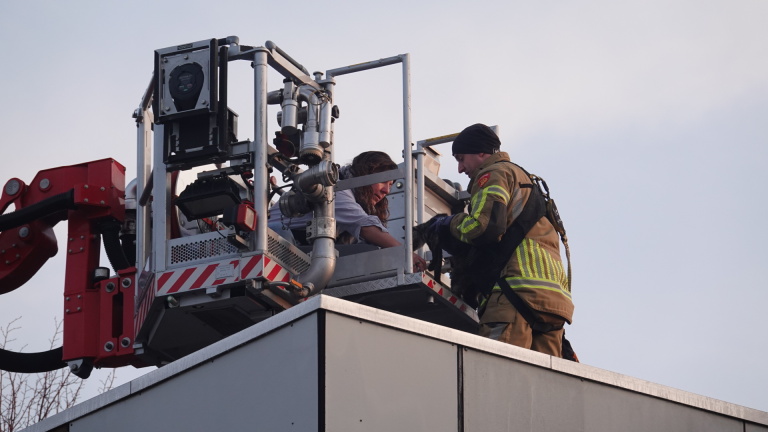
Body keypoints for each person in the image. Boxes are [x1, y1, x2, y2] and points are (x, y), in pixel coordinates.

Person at [425, 124, 574, 357]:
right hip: (555, 302)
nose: (460, 168)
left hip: (515, 293)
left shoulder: (494, 173)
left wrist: (447, 224)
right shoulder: (527, 182)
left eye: (461, 159)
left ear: (481, 152)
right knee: (542, 376)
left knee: (497, 369)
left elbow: (484, 228)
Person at [269, 151, 427, 272]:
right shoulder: (335, 189)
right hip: (275, 243)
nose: (386, 190)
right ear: (366, 174)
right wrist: (405, 254)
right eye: (383, 181)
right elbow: (365, 227)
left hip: (298, 250)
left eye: (390, 184)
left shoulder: (354, 198)